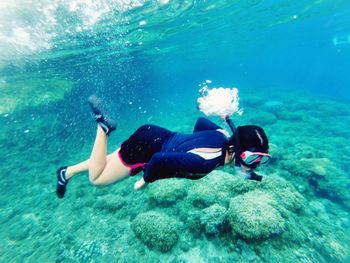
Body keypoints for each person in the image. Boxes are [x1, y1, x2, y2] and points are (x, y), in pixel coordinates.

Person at [56, 95, 270, 199]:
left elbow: (200, 123)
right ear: (240, 152)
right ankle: (102, 127)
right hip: (148, 151)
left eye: (259, 161)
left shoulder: (223, 135)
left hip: (154, 134)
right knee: (97, 179)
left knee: (108, 160)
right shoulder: (206, 163)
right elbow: (159, 160)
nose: (254, 165)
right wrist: (145, 180)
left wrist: (188, 147)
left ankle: (66, 173)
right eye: (252, 159)